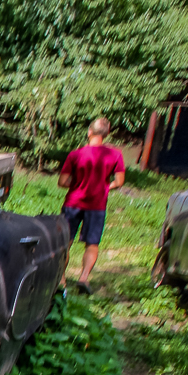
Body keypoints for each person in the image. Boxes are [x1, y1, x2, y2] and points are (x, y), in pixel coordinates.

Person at [58, 117, 125, 294]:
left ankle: (62, 279)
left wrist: (77, 184)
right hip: (97, 205)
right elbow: (119, 181)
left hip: (73, 203)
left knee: (66, 242)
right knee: (92, 244)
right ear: (106, 134)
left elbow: (63, 181)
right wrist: (105, 187)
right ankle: (84, 277)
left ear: (89, 132)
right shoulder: (115, 155)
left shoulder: (75, 155)